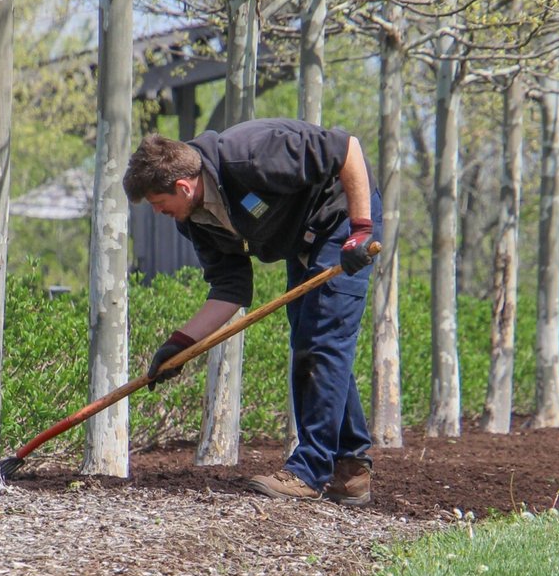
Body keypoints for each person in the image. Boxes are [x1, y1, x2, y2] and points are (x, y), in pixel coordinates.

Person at [123, 118, 381, 505]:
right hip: (302, 240)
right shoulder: (195, 221)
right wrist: (180, 345)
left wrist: (361, 229)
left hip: (339, 221)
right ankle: (351, 470)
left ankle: (309, 472)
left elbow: (348, 149)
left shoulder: (250, 154)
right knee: (309, 341)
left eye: (160, 205)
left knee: (321, 343)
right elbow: (230, 289)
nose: (160, 213)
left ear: (183, 186)